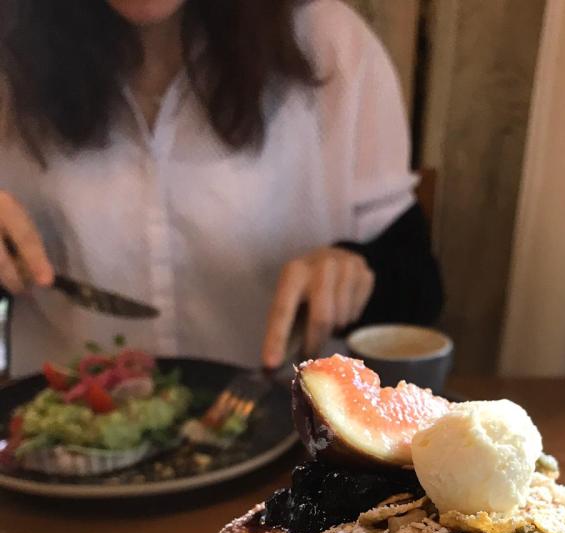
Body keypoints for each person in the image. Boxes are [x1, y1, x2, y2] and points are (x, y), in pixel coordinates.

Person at [0, 0, 442, 377]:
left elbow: (415, 293)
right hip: (54, 449)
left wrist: (354, 273)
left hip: (289, 445)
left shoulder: (329, 46)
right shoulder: (10, 56)